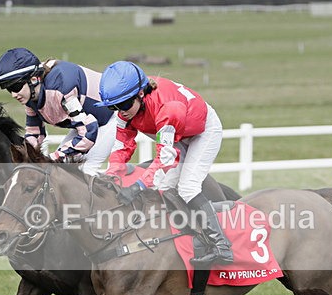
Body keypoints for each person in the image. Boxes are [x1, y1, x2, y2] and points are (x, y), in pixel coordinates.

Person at [97, 61, 233, 265]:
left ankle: (221, 246)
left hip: (203, 132)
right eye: (113, 107)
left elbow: (166, 158)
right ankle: (190, 234)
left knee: (187, 187)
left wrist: (138, 186)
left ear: (141, 94)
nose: (120, 111)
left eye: (124, 105)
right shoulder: (125, 111)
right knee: (165, 187)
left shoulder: (167, 108)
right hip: (178, 135)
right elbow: (121, 147)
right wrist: (111, 176)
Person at [0, 47, 117, 175]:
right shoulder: (30, 97)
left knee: (85, 172)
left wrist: (54, 157)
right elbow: (34, 133)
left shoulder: (61, 89)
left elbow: (89, 132)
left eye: (15, 87)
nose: (14, 94)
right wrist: (25, 158)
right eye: (8, 89)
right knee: (58, 172)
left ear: (34, 79)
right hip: (89, 121)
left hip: (112, 117)